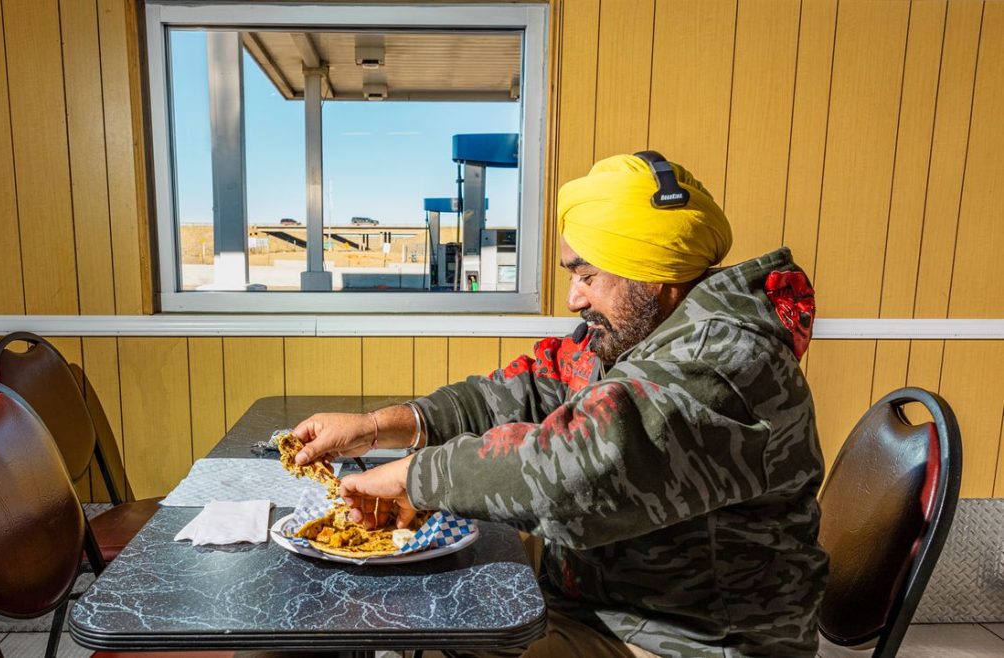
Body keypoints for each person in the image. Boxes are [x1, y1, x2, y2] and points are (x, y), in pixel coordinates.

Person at [291, 153, 828, 658]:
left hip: (682, 640)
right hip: (595, 604)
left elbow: (575, 470)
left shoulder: (723, 362)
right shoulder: (637, 333)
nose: (574, 298)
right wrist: (377, 427)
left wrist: (414, 476)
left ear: (656, 274)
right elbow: (525, 390)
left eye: (587, 276)